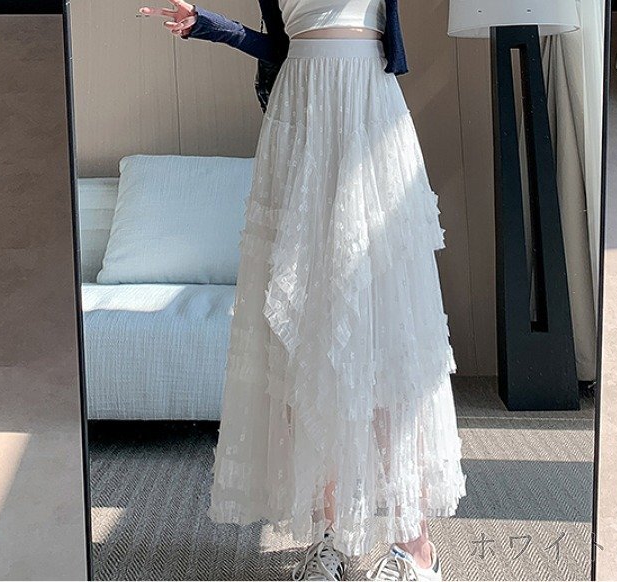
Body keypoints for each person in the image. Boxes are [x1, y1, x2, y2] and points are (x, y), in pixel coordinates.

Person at [139, 1, 467, 580]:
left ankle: (414, 546)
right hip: (300, 120)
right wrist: (211, 27)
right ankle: (331, 538)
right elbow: (283, 44)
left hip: (368, 110)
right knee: (305, 339)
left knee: (387, 337)